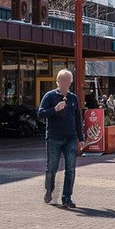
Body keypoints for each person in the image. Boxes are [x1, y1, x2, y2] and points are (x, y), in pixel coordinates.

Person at [38, 68, 87, 208]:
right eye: (63, 80)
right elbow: (40, 114)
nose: (65, 83)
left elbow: (78, 119)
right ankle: (49, 190)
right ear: (57, 81)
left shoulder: (73, 98)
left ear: (70, 82)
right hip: (54, 138)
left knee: (70, 169)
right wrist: (55, 110)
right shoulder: (50, 96)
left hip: (71, 138)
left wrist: (80, 138)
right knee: (51, 168)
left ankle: (67, 198)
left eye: (68, 80)